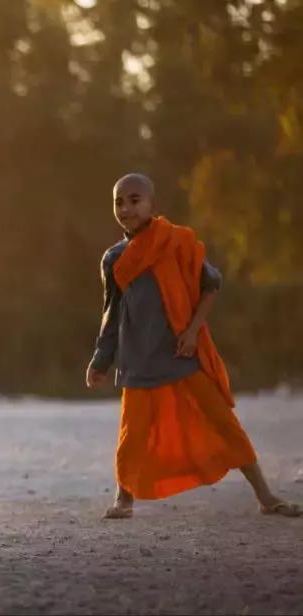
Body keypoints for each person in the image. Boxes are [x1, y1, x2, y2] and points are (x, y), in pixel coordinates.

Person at [86, 173, 299, 519]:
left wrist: (192, 331)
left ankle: (266, 495)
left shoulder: (176, 242)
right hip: (138, 359)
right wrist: (100, 360)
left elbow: (210, 284)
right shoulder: (114, 259)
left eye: (135, 200)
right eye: (119, 202)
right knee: (133, 433)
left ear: (153, 204)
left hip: (181, 354)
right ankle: (123, 499)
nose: (126, 208)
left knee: (223, 422)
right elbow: (112, 312)